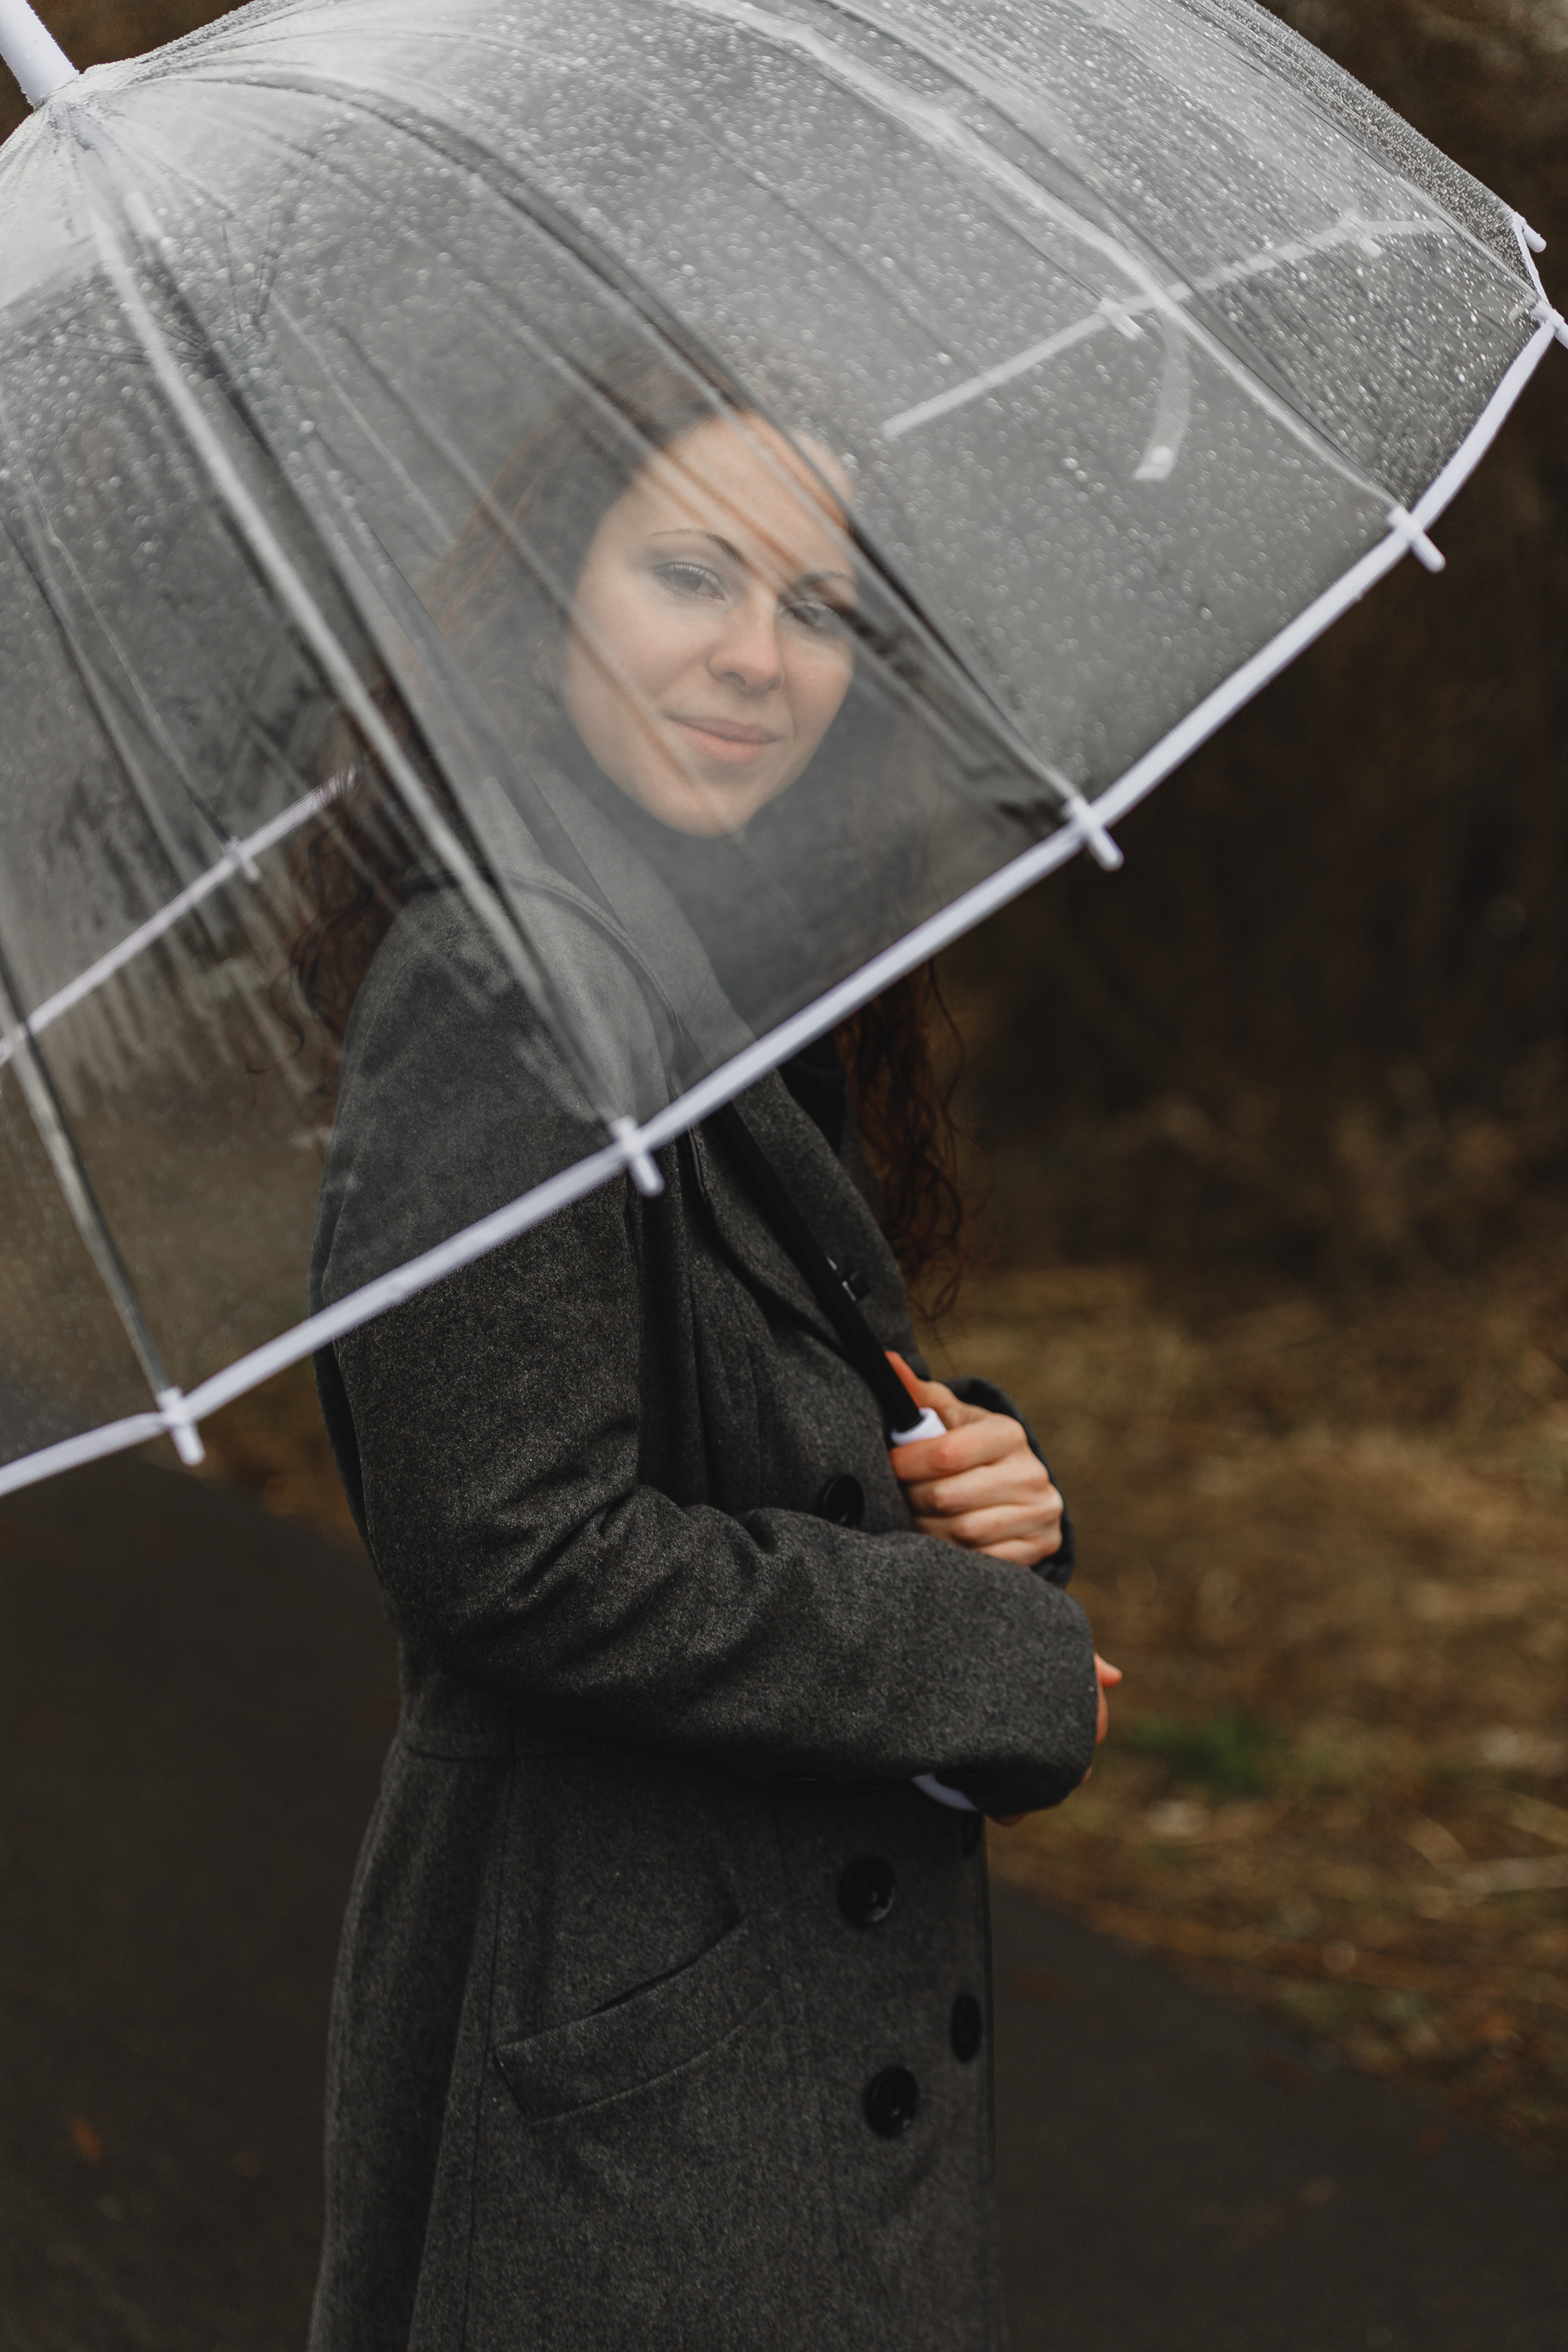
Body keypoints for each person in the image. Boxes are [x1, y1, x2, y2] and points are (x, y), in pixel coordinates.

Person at [295, 342, 1118, 2352]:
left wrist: (971, 1478)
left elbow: (736, 1409)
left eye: (817, 605)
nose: (761, 654)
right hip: (620, 2054)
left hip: (731, 2021)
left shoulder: (712, 957)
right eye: (689, 575)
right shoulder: (511, 988)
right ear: (550, 596)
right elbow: (518, 1547)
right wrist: (975, 1651)